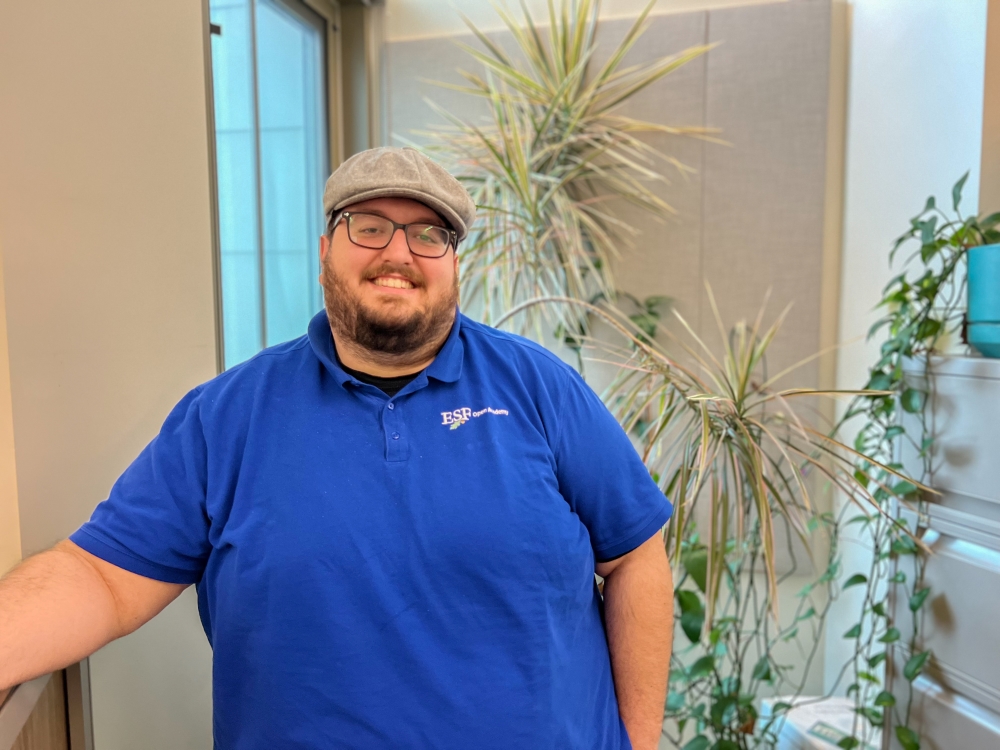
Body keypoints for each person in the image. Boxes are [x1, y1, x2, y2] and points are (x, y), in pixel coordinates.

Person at [0, 147, 674, 749]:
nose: (399, 253)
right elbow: (103, 577)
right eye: (370, 226)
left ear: (453, 264)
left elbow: (635, 553)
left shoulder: (540, 389)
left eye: (428, 234)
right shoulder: (229, 417)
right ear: (325, 251)